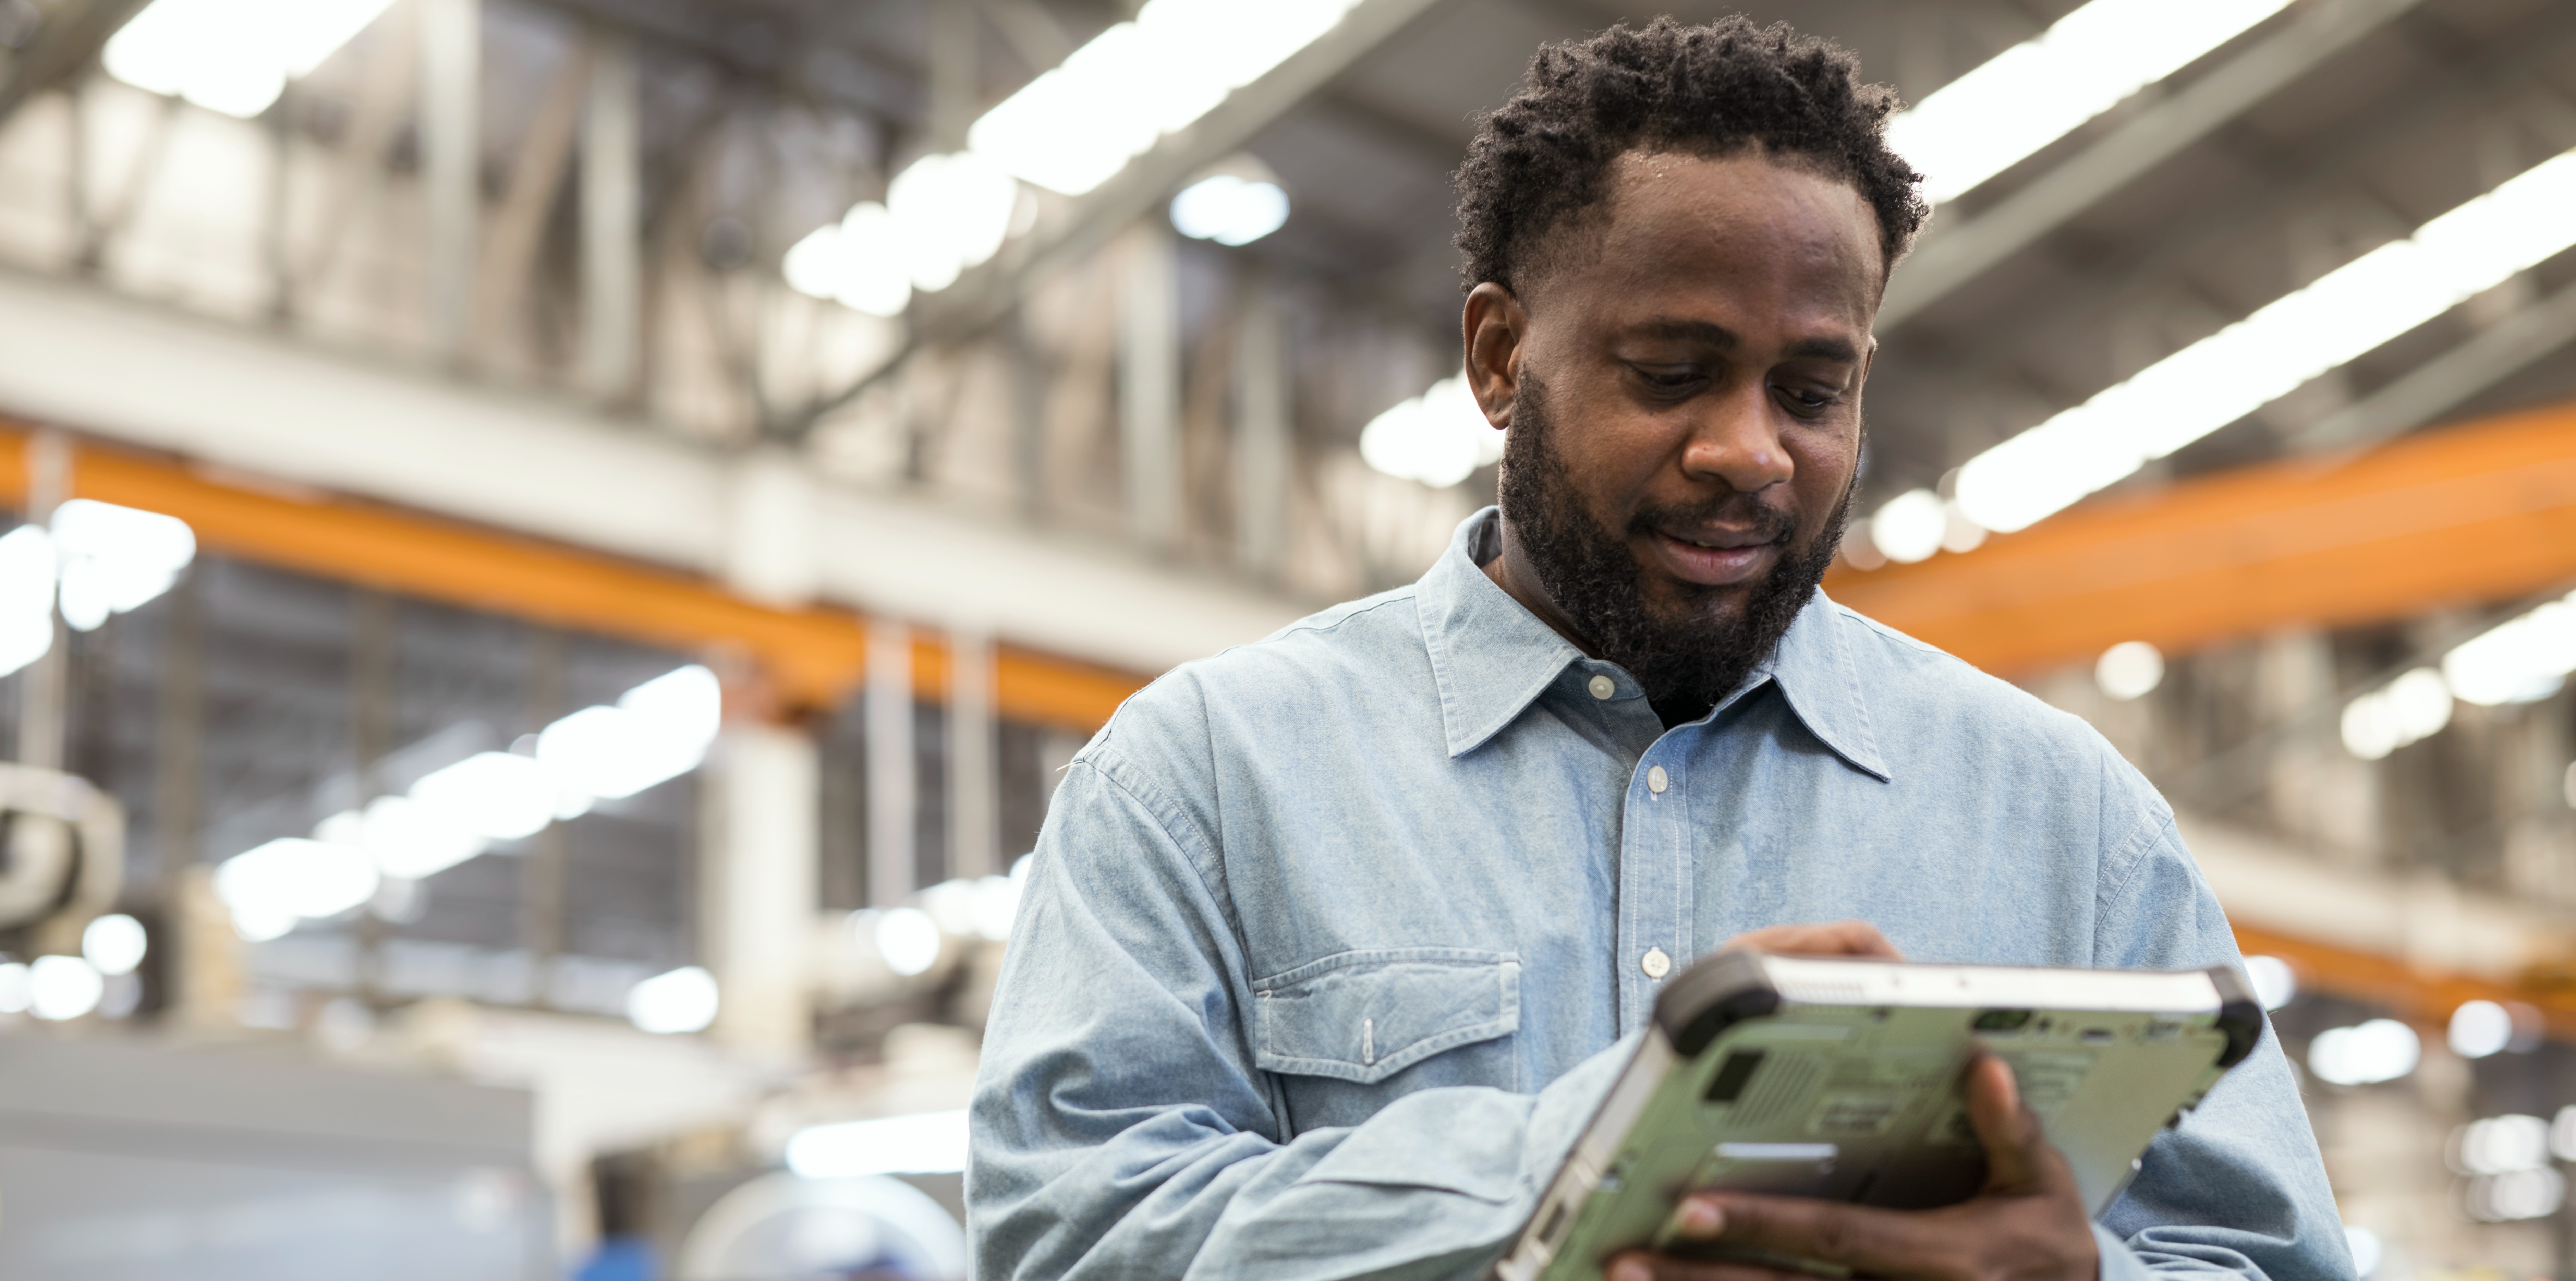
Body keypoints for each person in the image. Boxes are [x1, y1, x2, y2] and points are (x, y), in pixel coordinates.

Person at [968, 17, 2349, 1280]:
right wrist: (1601, 1150)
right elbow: (1072, 1238)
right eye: (1672, 373)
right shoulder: (1207, 776)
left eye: (1814, 391)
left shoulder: (2068, 820)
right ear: (1501, 356)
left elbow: (2272, 1258)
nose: (1750, 450)